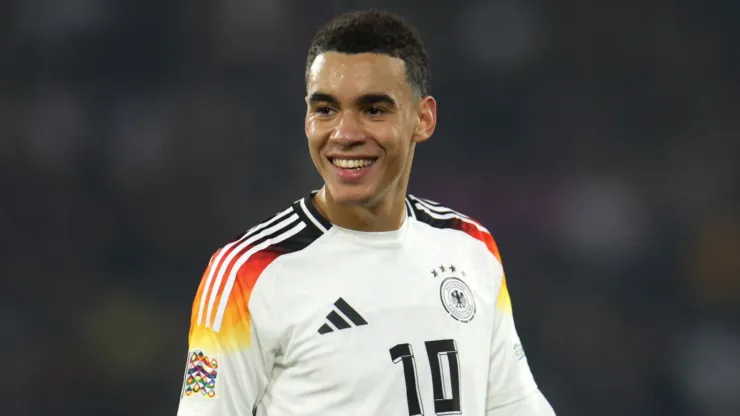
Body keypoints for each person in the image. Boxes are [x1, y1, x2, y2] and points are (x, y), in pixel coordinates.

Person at [177, 9, 556, 416]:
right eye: (326, 110)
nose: (344, 134)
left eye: (373, 110)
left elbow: (515, 406)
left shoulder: (470, 246)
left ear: (423, 119)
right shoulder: (246, 274)